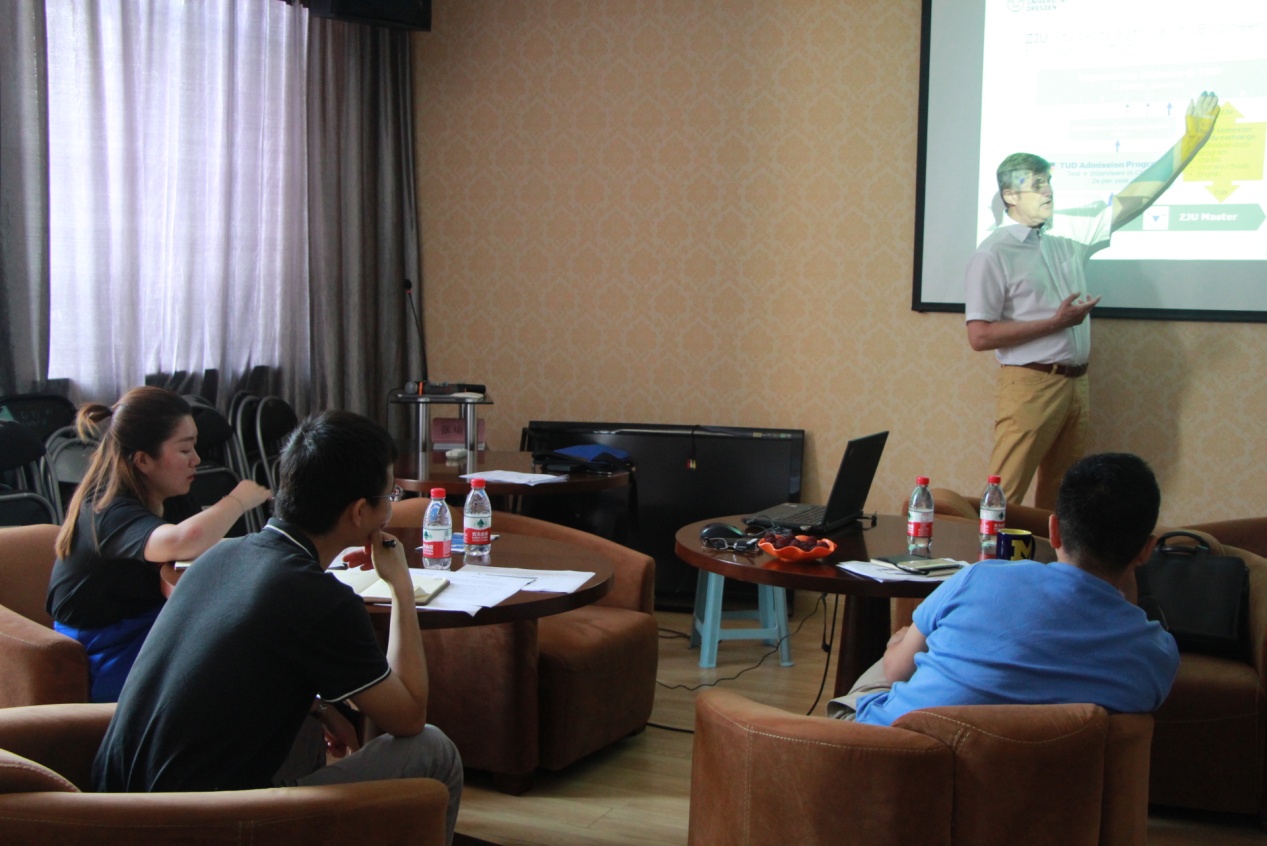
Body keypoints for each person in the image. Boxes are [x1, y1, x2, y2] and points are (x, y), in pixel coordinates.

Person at [93, 410, 463, 844]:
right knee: (433, 751)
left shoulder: (219, 556)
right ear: (361, 511)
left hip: (113, 816)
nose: (391, 507)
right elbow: (409, 717)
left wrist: (321, 708)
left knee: (304, 726)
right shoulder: (319, 599)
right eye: (390, 495)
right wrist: (401, 587)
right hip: (200, 827)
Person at [965, 92, 1220, 509]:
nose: (1048, 191)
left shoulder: (1068, 231)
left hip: (1076, 384)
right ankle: (986, 554)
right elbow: (979, 336)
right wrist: (1056, 322)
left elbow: (1135, 198)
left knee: (1064, 501)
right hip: (1029, 384)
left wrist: (1191, 141)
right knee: (1004, 495)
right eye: (1036, 184)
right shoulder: (993, 253)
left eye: (1048, 182)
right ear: (1010, 196)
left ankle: (1051, 555)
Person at [828, 452, 1178, 726]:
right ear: (1146, 550)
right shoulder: (1154, 656)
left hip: (894, 756)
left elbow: (895, 673)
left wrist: (899, 642)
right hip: (1019, 785)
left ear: (1053, 531)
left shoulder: (980, 578)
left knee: (900, 651)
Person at [46, 387, 272, 702]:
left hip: (151, 622)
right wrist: (238, 500)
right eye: (185, 449)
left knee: (258, 643)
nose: (196, 459)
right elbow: (183, 541)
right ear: (143, 460)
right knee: (243, 663)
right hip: (102, 649)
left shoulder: (172, 493)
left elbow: (199, 545)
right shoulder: (107, 509)